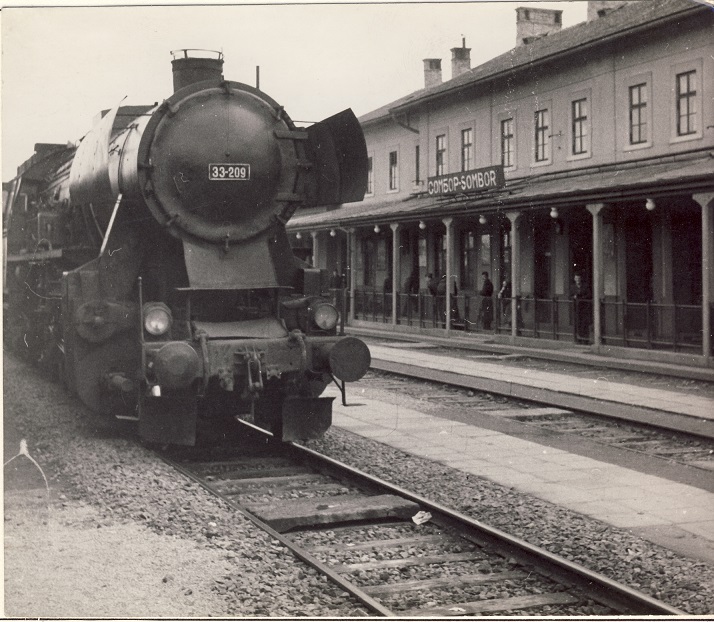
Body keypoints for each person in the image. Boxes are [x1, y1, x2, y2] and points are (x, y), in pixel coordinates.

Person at [570, 273, 592, 344]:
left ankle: (585, 339)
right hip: (576, 308)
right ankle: (578, 339)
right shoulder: (572, 287)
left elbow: (589, 294)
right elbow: (570, 296)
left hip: (584, 307)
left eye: (579, 279)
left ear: (581, 279)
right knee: (577, 323)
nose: (578, 280)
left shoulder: (585, 286)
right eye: (576, 278)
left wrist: (581, 298)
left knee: (584, 323)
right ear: (574, 279)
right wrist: (574, 297)